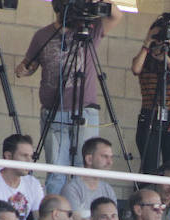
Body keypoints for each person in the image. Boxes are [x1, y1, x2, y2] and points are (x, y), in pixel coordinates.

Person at [16, 0, 123, 195]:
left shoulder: (90, 30)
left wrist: (94, 3)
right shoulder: (42, 35)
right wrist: (24, 70)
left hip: (85, 111)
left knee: (85, 168)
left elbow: (116, 15)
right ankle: (55, 214)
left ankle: (80, 213)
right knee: (57, 171)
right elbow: (29, 64)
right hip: (53, 111)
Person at [131, 16, 170, 174]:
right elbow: (136, 69)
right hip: (150, 113)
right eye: (159, 36)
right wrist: (147, 43)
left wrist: (168, 61)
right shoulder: (145, 58)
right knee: (149, 165)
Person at [59, 139, 119, 214]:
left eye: (111, 157)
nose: (110, 162)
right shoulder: (72, 189)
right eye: (105, 156)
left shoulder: (108, 189)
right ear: (89, 159)